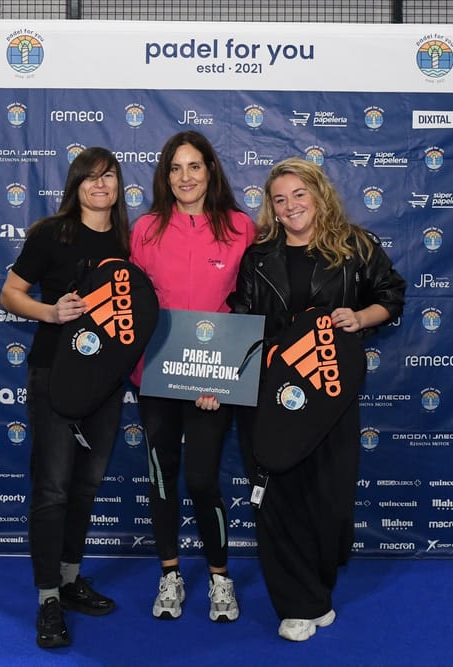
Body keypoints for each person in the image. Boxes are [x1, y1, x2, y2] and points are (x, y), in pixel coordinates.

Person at [227, 157, 406, 642]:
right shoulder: (258, 256)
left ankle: (318, 593)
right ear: (271, 207)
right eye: (279, 199)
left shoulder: (356, 246)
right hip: (268, 396)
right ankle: (297, 604)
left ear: (319, 193)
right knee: (278, 501)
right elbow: (241, 320)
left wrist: (361, 318)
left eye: (298, 194)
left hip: (330, 395)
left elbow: (392, 295)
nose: (290, 206)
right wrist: (218, 379)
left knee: (330, 500)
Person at [0, 147, 131, 650]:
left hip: (105, 379)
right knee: (53, 488)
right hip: (54, 373)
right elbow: (10, 294)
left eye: (109, 176)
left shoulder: (129, 240)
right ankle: (48, 596)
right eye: (90, 177)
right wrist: (50, 312)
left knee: (86, 483)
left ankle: (71, 579)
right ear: (76, 185)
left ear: (119, 185)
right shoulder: (51, 233)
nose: (100, 185)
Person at [129, 130, 256, 622]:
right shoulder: (145, 229)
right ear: (165, 176)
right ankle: (170, 574)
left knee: (202, 480)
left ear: (210, 170)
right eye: (175, 168)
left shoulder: (241, 227)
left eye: (194, 166)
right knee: (161, 478)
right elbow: (134, 304)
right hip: (156, 374)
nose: (185, 177)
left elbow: (249, 305)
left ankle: (220, 578)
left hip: (214, 382)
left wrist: (224, 379)